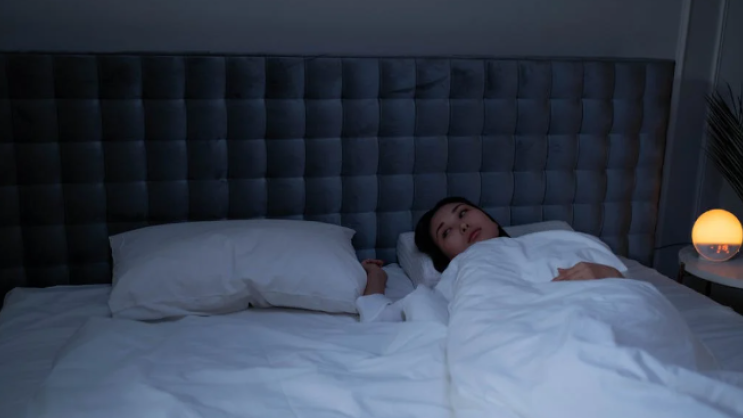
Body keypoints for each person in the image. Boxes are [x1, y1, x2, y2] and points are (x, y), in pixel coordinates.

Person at [356, 196, 624, 322]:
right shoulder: (458, 276)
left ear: (490, 219)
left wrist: (609, 274)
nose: (462, 225)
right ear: (445, 256)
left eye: (463, 213)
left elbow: (628, 293)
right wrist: (376, 276)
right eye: (446, 232)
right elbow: (381, 318)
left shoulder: (557, 241)